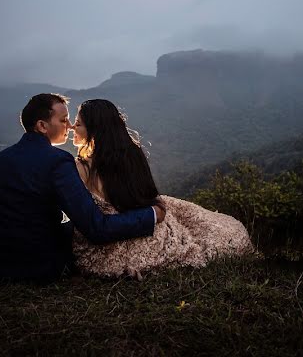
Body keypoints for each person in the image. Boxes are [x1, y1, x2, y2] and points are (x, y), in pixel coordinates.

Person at [0, 93, 165, 282]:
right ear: (42, 126)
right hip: (40, 269)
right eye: (63, 120)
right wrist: (151, 214)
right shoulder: (58, 161)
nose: (69, 126)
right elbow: (97, 228)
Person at [71, 98, 253, 278]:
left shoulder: (81, 168)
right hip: (137, 223)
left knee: (193, 224)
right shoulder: (131, 155)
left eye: (78, 124)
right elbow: (148, 195)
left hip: (112, 234)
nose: (72, 127)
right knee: (203, 230)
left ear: (94, 130)